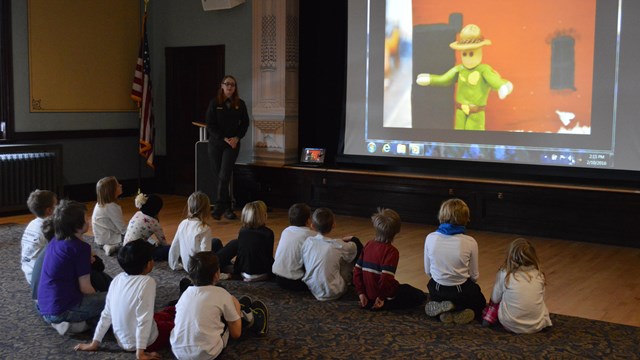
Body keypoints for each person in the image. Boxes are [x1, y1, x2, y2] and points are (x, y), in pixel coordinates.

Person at [74, 240, 175, 358]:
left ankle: (176, 308)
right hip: (147, 342)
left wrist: (94, 343)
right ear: (148, 264)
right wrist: (140, 353)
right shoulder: (147, 282)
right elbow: (144, 319)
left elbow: (106, 314)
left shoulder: (117, 279)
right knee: (178, 326)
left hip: (122, 341)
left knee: (163, 314)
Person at [170, 252, 269, 359]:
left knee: (218, 309)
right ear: (217, 275)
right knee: (231, 308)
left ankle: (240, 308)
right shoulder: (221, 294)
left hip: (178, 352)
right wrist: (236, 305)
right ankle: (253, 319)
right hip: (207, 353)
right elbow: (236, 334)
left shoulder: (185, 294)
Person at [416, 24, 513, 130]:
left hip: (476, 113)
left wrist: (501, 86)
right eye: (464, 54)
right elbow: (444, 79)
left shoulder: (484, 70)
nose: (467, 58)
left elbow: (493, 80)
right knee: (458, 135)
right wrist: (430, 79)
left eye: (471, 54)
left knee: (473, 137)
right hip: (460, 111)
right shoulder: (459, 69)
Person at [37, 200, 107, 335]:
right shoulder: (80, 248)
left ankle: (79, 322)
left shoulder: (55, 240)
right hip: (62, 309)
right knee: (116, 298)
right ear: (77, 226)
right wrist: (100, 300)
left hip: (45, 305)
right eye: (86, 219)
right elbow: (86, 289)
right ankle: (81, 323)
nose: (88, 222)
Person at [423, 198, 486, 324]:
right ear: (466, 218)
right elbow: (474, 276)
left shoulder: (431, 238)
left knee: (434, 290)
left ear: (441, 215)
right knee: (480, 302)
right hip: (460, 291)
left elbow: (428, 271)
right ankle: (458, 309)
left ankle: (443, 309)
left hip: (437, 289)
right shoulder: (470, 242)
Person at [354, 208, 426, 310]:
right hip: (384, 296)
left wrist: (361, 293)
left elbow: (357, 271)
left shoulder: (369, 244)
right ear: (397, 230)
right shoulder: (391, 251)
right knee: (418, 295)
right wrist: (381, 297)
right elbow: (385, 279)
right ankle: (386, 304)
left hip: (367, 295)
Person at [482, 238, 552, 334]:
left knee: (498, 300)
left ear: (510, 256)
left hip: (510, 324)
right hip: (537, 325)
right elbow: (541, 297)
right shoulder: (539, 275)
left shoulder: (505, 274)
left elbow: (495, 298)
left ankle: (489, 317)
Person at [206, 75, 250, 221]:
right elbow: (210, 125)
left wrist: (236, 138)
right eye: (227, 84)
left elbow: (244, 124)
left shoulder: (240, 104)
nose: (230, 87)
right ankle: (227, 208)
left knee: (225, 175)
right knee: (219, 176)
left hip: (232, 145)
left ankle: (219, 207)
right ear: (222, 86)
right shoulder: (215, 103)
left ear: (235, 88)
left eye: (233, 85)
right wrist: (223, 138)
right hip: (217, 143)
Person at [301, 207, 362, 301]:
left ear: (312, 225)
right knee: (349, 255)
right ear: (334, 225)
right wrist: (353, 239)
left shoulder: (308, 241)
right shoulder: (337, 244)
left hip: (312, 288)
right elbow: (354, 249)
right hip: (334, 292)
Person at [168, 191, 235, 274]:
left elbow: (174, 246)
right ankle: (226, 267)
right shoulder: (204, 228)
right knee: (234, 244)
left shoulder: (183, 223)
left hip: (188, 266)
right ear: (206, 209)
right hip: (199, 269)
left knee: (216, 242)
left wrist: (174, 265)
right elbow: (205, 256)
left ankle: (224, 266)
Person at [272, 203, 315, 290]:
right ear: (308, 220)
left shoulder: (286, 231)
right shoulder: (311, 235)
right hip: (296, 282)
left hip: (278, 278)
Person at [20, 189, 57, 287]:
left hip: (29, 272)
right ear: (49, 210)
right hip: (42, 277)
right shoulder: (50, 228)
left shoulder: (31, 224)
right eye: (56, 205)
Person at [124, 192, 171, 261]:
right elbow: (163, 242)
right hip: (138, 255)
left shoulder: (137, 214)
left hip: (125, 248)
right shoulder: (154, 223)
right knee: (168, 249)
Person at [91, 176, 127, 256]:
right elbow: (122, 229)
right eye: (117, 185)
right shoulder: (111, 207)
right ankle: (115, 245)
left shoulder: (100, 204)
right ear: (111, 191)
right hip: (109, 238)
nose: (121, 185)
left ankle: (106, 246)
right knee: (134, 237)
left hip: (99, 239)